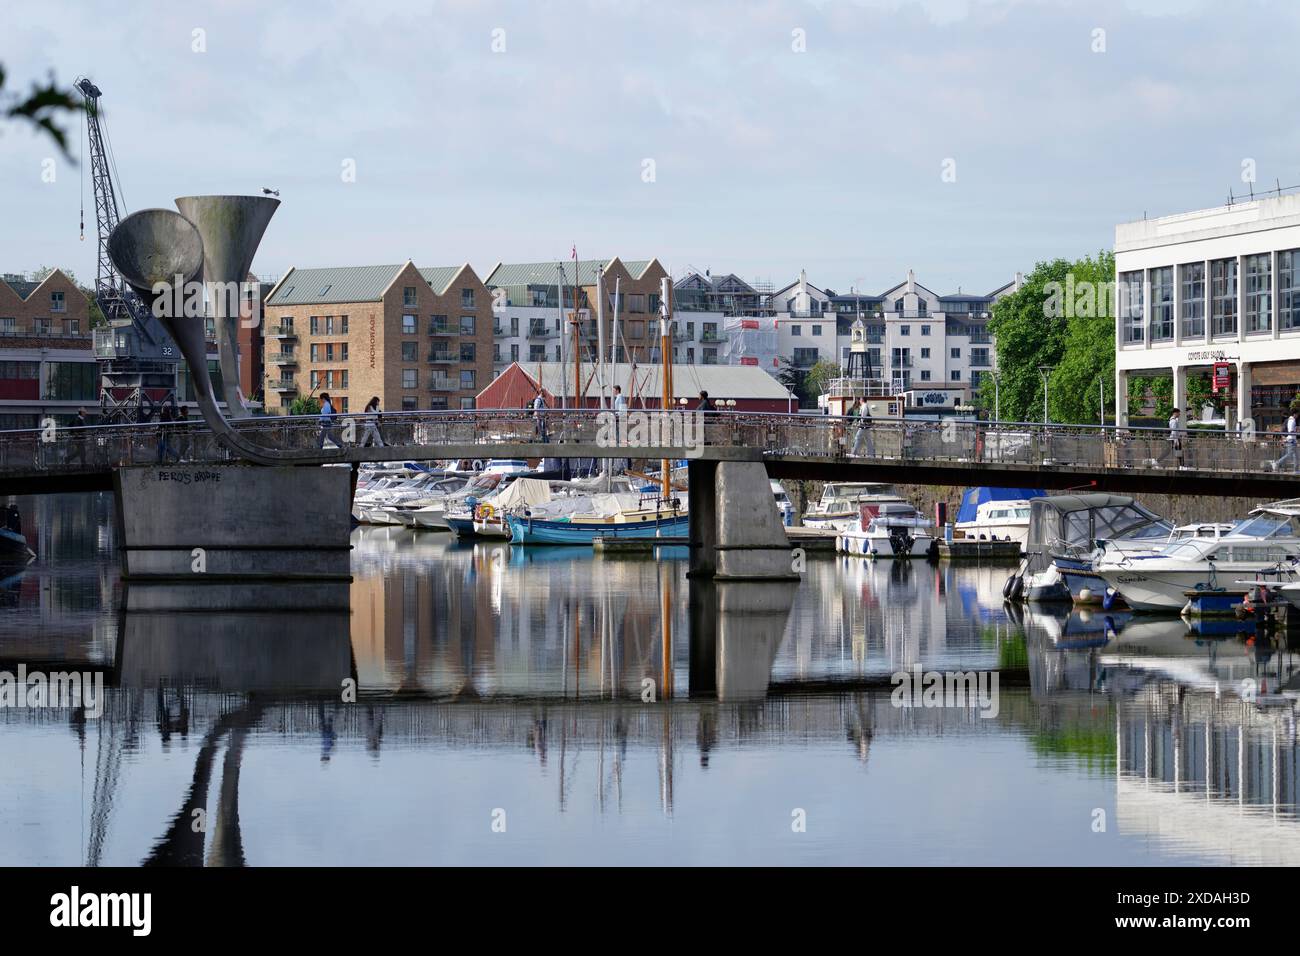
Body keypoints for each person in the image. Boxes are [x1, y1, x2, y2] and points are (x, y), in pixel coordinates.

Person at [1275, 403, 1299, 474]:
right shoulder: (1292, 420)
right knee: (1290, 455)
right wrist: (1296, 431)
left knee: (1295, 455)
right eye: (1297, 414)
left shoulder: (1290, 419)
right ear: (1294, 414)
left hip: (1291, 439)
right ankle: (1277, 462)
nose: (1298, 415)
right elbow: (1291, 430)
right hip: (1291, 440)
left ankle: (1296, 470)